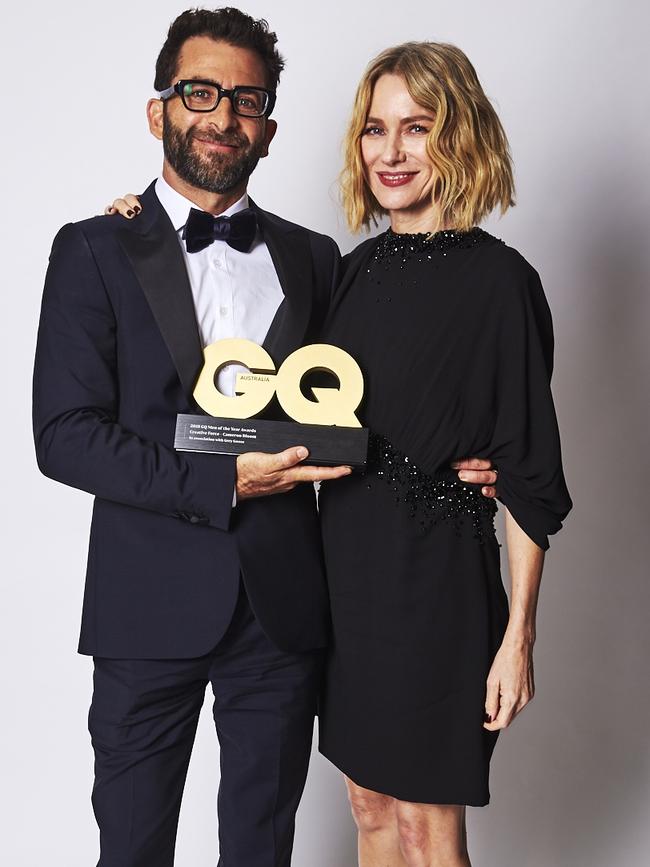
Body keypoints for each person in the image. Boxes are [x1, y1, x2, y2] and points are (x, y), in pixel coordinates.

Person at [34, 9, 497, 867]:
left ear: (270, 129)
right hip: (146, 608)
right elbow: (63, 436)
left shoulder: (318, 259)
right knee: (131, 848)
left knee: (261, 849)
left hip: (284, 613)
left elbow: (381, 389)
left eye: (245, 100)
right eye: (198, 92)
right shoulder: (95, 249)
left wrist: (478, 448)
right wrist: (221, 483)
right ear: (158, 109)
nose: (220, 116)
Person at [315, 42, 573, 867]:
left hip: (442, 592)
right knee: (368, 804)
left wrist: (519, 636)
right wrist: (140, 225)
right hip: (347, 583)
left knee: (429, 827)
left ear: (458, 135)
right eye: (376, 130)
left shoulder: (502, 284)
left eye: (416, 128)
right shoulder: (345, 279)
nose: (391, 153)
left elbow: (529, 474)